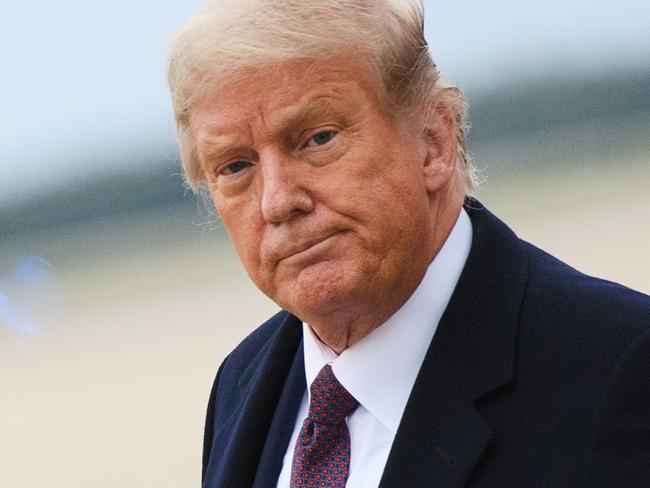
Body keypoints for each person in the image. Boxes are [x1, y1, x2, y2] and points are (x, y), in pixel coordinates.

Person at [166, 1, 650, 487]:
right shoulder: (243, 383)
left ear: (434, 140)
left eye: (317, 139)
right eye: (235, 166)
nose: (277, 201)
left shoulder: (618, 368)